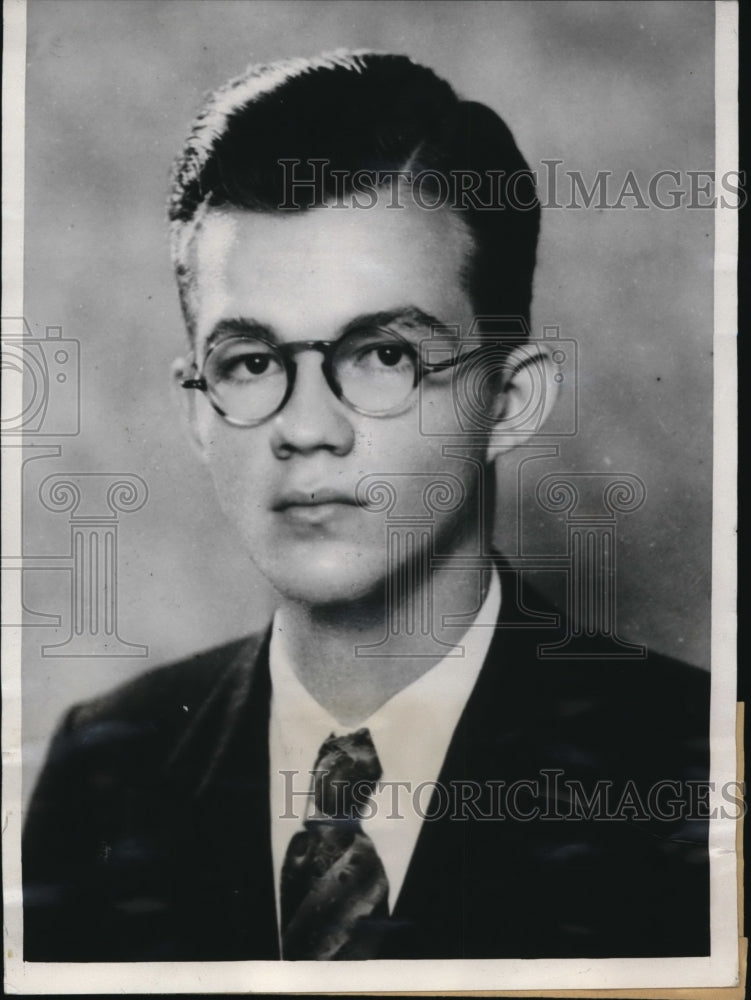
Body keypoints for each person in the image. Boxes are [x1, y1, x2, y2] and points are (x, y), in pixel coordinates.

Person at [23, 50, 709, 962]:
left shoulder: (691, 768)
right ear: (198, 410)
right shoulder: (104, 769)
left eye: (385, 354)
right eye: (252, 362)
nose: (307, 428)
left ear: (509, 400)